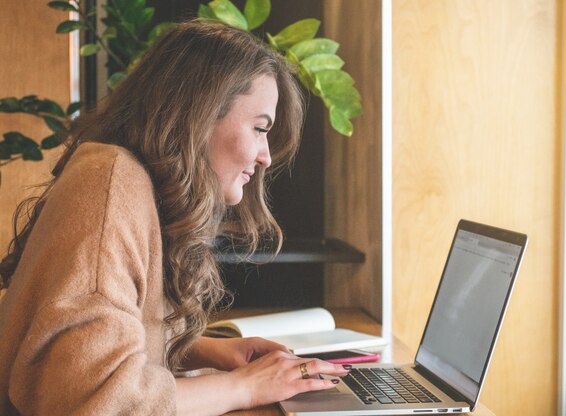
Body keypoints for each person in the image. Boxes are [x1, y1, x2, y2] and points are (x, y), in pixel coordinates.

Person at [0, 21, 350, 415]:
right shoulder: (112, 185)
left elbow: (100, 341)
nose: (266, 156)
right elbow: (98, 401)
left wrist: (204, 351)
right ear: (199, 114)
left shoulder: (129, 180)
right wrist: (245, 387)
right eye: (259, 128)